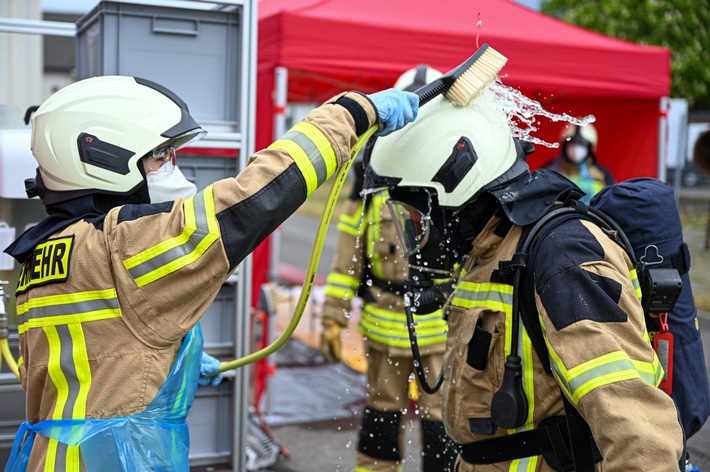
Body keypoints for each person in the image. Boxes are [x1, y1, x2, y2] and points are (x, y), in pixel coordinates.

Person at [2, 75, 418, 471]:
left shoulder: (47, 249)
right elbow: (255, 198)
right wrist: (351, 113)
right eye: (160, 155)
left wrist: (173, 362)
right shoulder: (122, 244)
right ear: (103, 159)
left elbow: (93, 351)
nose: (171, 165)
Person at [363, 86, 685, 470]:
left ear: (455, 189)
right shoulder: (490, 248)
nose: (415, 239)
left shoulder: (561, 257)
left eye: (417, 219)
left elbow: (643, 441)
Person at [320, 62, 458, 472]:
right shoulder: (369, 178)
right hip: (384, 324)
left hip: (442, 330)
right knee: (382, 416)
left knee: (443, 423)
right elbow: (347, 258)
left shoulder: (455, 178)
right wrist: (332, 316)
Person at [544, 123, 615, 204]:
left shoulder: (602, 175)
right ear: (564, 145)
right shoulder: (549, 171)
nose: (575, 150)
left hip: (590, 216)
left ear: (590, 148)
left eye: (582, 144)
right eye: (572, 143)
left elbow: (609, 204)